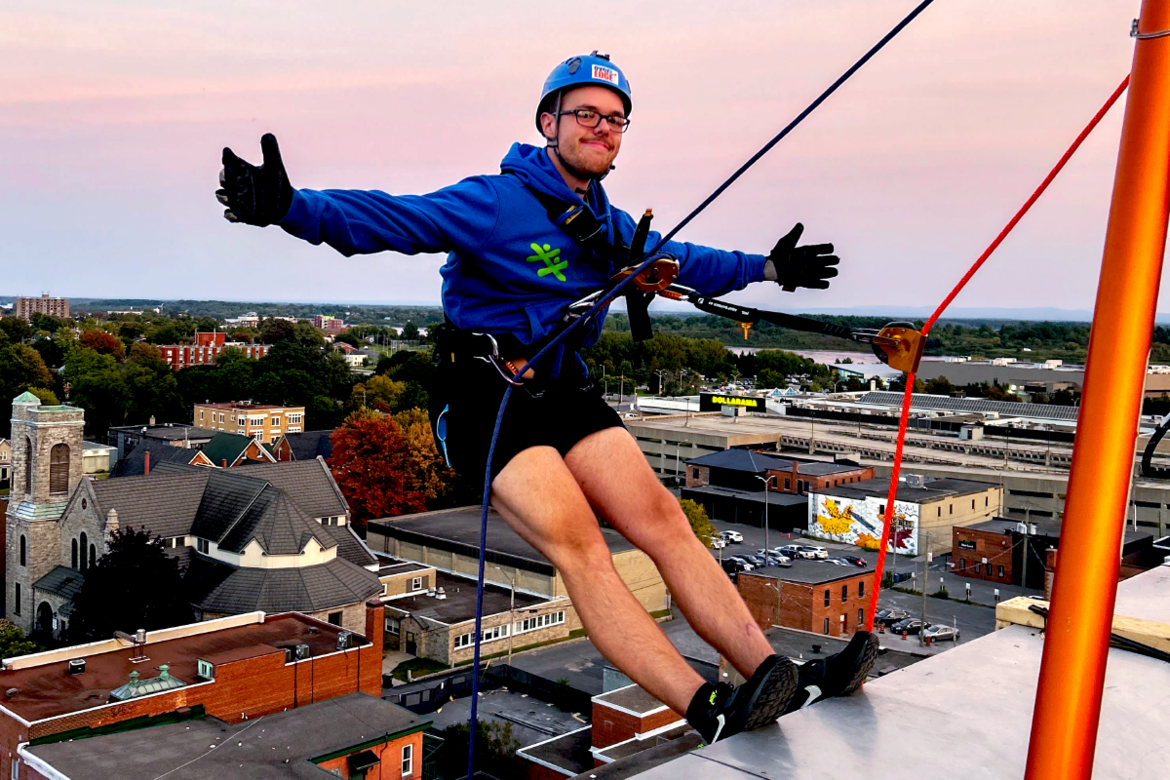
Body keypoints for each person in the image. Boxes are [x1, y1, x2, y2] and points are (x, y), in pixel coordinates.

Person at [217, 51, 879, 744]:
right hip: (488, 396)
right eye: (586, 114)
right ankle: (708, 706)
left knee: (664, 521)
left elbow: (683, 259)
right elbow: (394, 219)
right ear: (548, 122)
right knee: (583, 546)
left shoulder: (610, 224)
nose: (602, 128)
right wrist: (291, 209)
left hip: (563, 385)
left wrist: (769, 267)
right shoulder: (495, 202)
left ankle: (777, 675)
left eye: (616, 119)